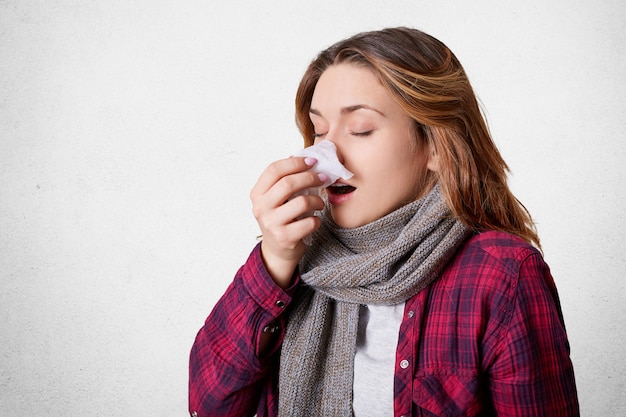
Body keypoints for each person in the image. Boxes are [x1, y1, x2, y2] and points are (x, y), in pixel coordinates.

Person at [188, 27, 579, 417]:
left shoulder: (501, 274)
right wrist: (275, 259)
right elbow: (209, 407)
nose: (326, 154)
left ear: (436, 147)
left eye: (361, 129)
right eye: (319, 130)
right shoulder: (297, 259)